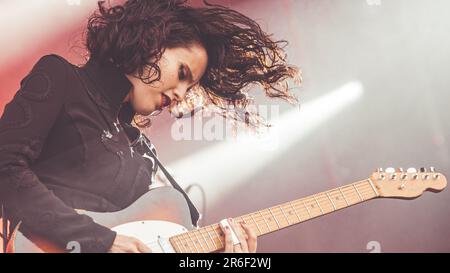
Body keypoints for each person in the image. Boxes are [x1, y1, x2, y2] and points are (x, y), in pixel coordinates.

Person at [0, 0, 300, 253]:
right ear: (150, 42)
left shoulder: (140, 153)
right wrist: (98, 241)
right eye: (182, 73)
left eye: (190, 86)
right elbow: (5, 166)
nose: (181, 94)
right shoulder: (62, 78)